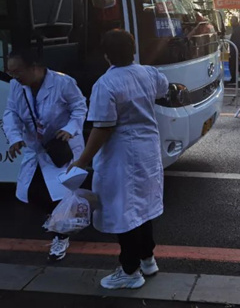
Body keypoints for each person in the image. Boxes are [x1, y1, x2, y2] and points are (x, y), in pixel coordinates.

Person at [69, 29, 169, 290]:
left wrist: (82, 160)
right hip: (147, 152)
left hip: (121, 157)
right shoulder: (149, 73)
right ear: (133, 49)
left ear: (106, 55)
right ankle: (148, 260)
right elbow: (163, 89)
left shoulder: (106, 84)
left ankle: (129, 271)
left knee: (125, 213)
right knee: (143, 209)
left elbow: (103, 127)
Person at [3, 48, 87, 262]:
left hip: (61, 147)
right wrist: (14, 137)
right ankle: (60, 220)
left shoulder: (63, 82)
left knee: (59, 195)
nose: (14, 76)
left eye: (18, 71)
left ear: (34, 67)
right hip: (37, 148)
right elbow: (11, 112)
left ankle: (61, 236)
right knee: (31, 192)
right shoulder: (17, 86)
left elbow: (79, 107)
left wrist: (70, 128)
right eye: (10, 72)